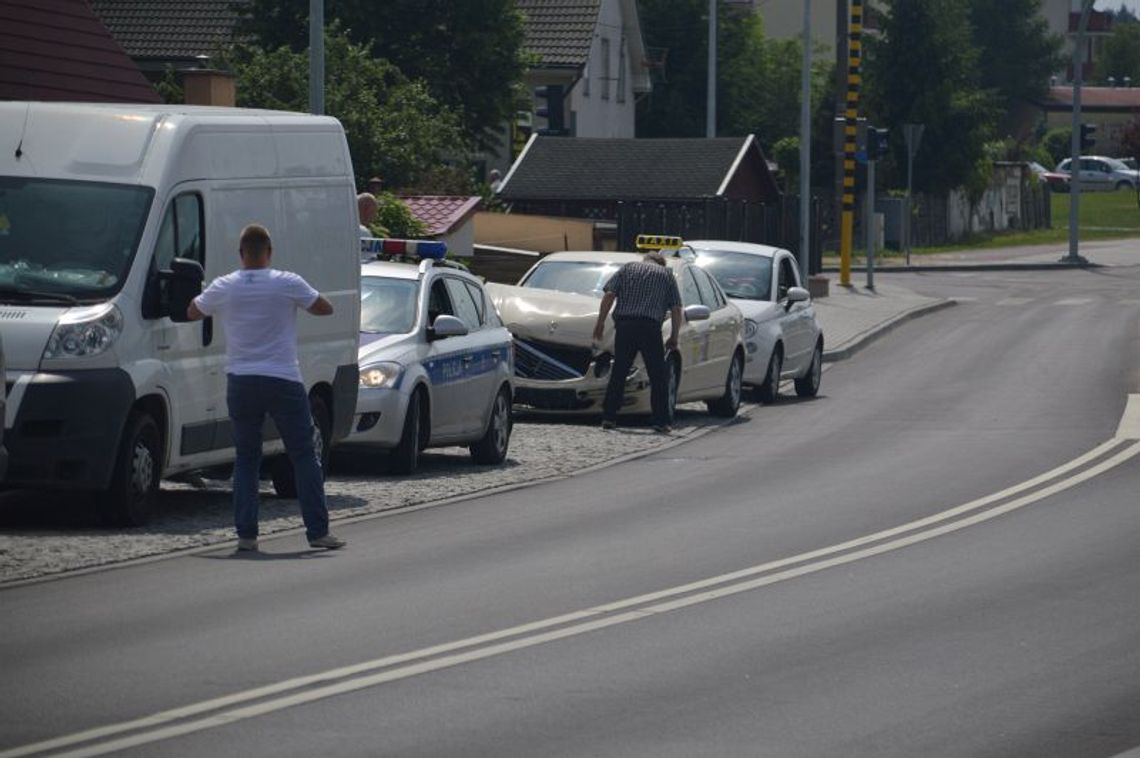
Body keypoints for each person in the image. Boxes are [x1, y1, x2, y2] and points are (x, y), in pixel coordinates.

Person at [188, 223, 346, 552]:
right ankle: (318, 532)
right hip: (282, 378)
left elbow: (192, 311)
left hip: (241, 380)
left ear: (241, 254)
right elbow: (324, 307)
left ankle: (247, 535)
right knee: (303, 455)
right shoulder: (287, 282)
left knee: (246, 458)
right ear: (269, 253)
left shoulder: (224, 285)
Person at [592, 251, 683, 433]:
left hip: (626, 326)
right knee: (657, 375)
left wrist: (600, 322)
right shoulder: (666, 275)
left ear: (645, 259)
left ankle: (609, 417)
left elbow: (609, 295)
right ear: (661, 263)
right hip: (650, 328)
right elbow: (676, 308)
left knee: (619, 371)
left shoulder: (627, 269)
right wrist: (674, 336)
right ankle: (661, 421)